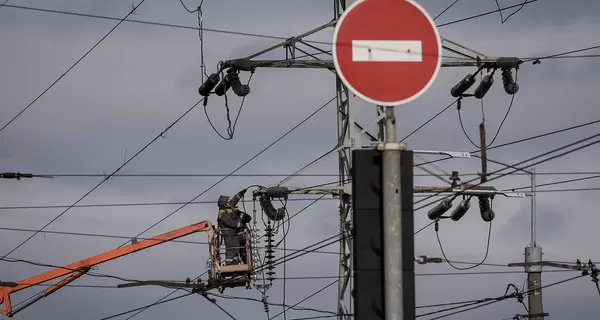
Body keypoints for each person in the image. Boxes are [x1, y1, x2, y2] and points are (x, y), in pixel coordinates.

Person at [217, 189, 252, 265]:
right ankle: (230, 264)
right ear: (225, 204)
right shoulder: (222, 213)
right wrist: (239, 224)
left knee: (236, 249)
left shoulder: (229, 207)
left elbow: (234, 199)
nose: (230, 202)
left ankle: (235, 263)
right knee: (230, 250)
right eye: (228, 201)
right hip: (228, 235)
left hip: (234, 234)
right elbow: (230, 222)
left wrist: (240, 193)